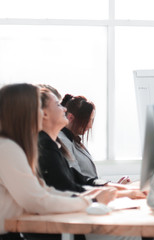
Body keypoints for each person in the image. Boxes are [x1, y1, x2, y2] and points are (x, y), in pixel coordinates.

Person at [0, 83, 116, 240]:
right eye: (38, 108)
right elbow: (37, 201)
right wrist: (90, 201)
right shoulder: (7, 148)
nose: (42, 115)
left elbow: (44, 191)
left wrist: (88, 199)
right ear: (25, 112)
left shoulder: (13, 146)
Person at [38, 88, 146, 199]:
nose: (64, 109)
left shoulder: (62, 142)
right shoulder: (52, 144)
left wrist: (115, 188)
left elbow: (81, 179)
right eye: (58, 105)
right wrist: (115, 192)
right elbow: (74, 186)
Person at [58, 94, 98, 178]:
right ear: (70, 118)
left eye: (92, 120)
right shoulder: (62, 141)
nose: (90, 125)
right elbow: (77, 179)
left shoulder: (73, 141)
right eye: (87, 120)